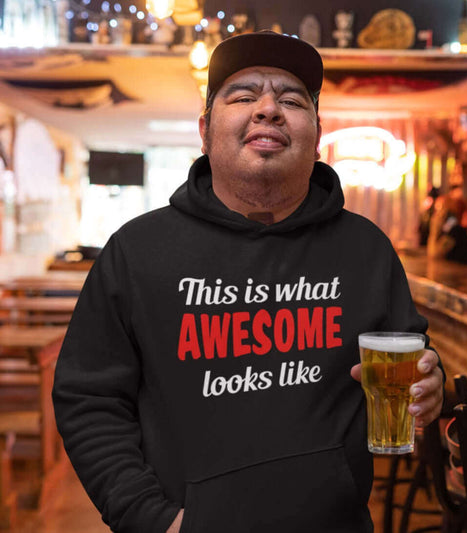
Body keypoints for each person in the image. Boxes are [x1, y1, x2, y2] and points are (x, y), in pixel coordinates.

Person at [53, 31, 445, 533]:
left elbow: (415, 356)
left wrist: (430, 385)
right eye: (243, 96)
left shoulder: (366, 248)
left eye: (291, 100)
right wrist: (153, 520)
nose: (268, 109)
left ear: (316, 133)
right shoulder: (136, 251)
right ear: (205, 130)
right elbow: (90, 400)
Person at [427, 172, 467, 264]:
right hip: (452, 266)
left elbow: (434, 253)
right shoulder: (452, 228)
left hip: (454, 268)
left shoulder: (456, 231)